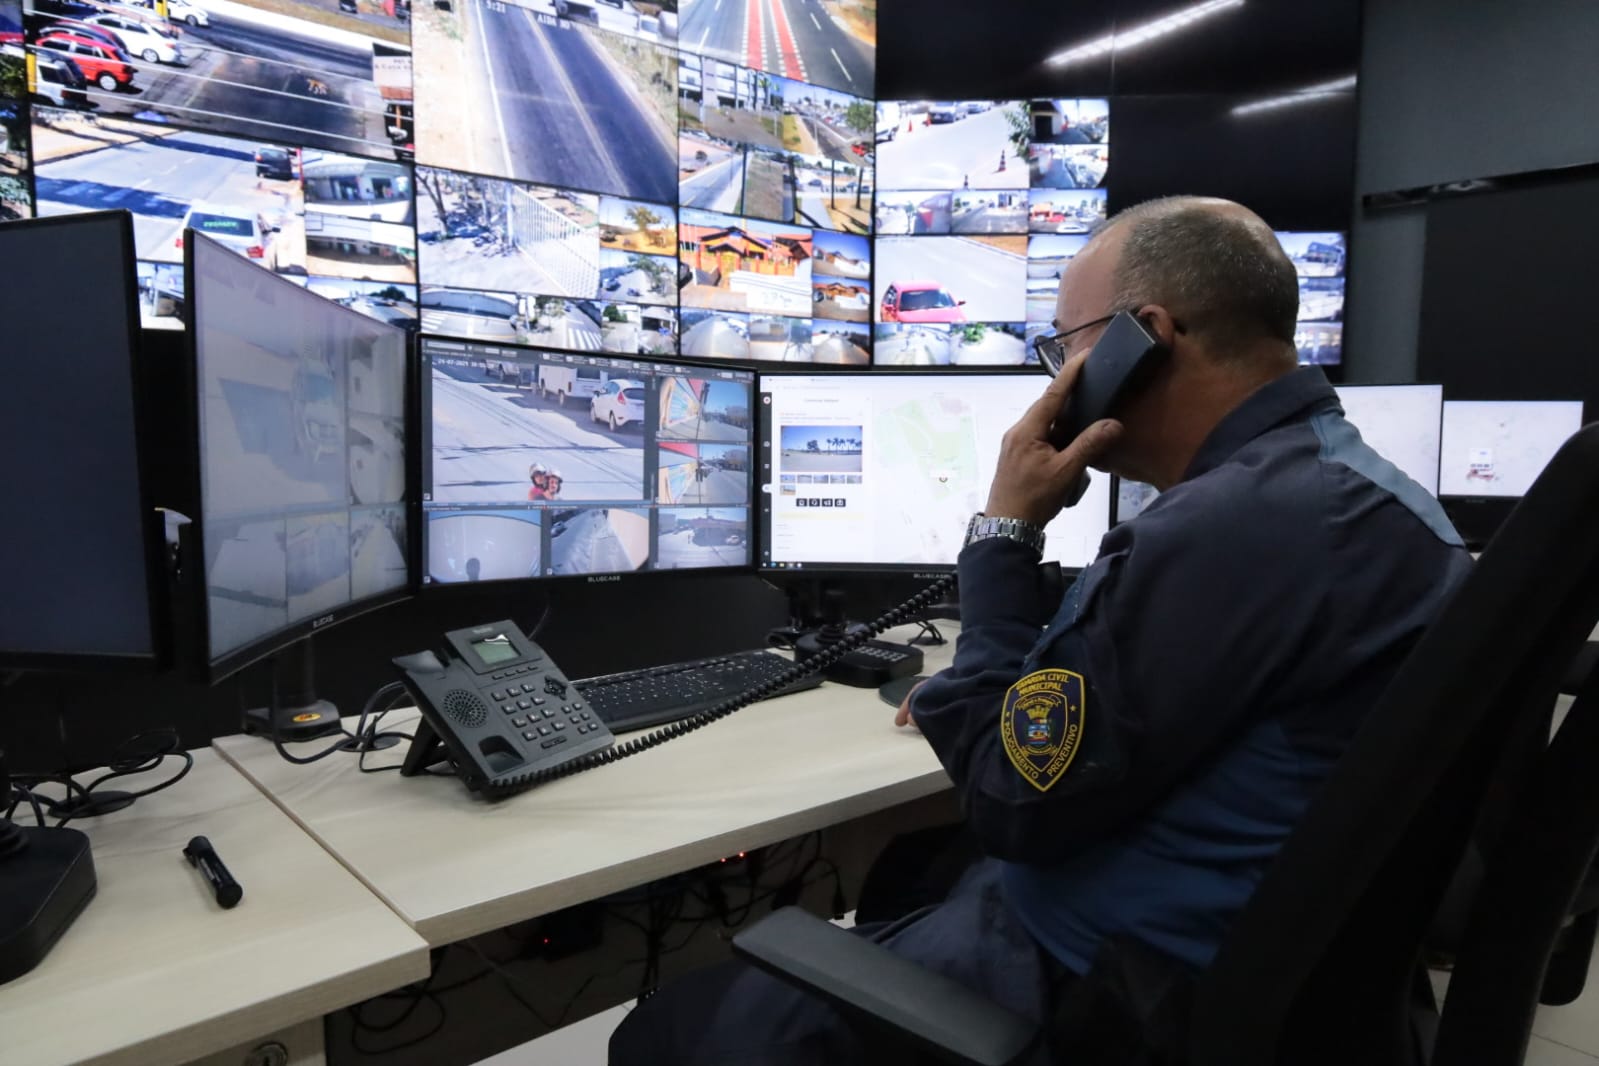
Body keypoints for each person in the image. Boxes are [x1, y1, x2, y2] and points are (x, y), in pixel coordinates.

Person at [608, 197, 1471, 1065]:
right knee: (910, 876)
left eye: (1066, 347)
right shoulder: (1362, 495)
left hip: (1108, 994)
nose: (1055, 378)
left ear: (1147, 337)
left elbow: (1007, 803)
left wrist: (1005, 532)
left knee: (665, 1031)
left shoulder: (1227, 528)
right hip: (1258, 972)